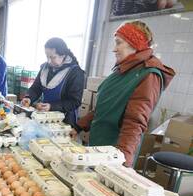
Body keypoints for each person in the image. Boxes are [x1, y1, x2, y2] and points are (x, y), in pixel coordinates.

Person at [71, 21, 175, 167]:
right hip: (98, 145)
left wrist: (122, 160)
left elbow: (135, 121)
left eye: (118, 43)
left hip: (114, 152)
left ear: (134, 44)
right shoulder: (122, 71)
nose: (114, 49)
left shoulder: (148, 75)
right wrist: (78, 126)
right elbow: (105, 107)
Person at [21, 38, 85, 127]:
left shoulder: (75, 73)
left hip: (64, 121)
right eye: (47, 57)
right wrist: (29, 97)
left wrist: (52, 106)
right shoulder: (45, 68)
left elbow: (74, 101)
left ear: (63, 55)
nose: (49, 61)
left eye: (52, 57)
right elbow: (36, 88)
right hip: (45, 117)